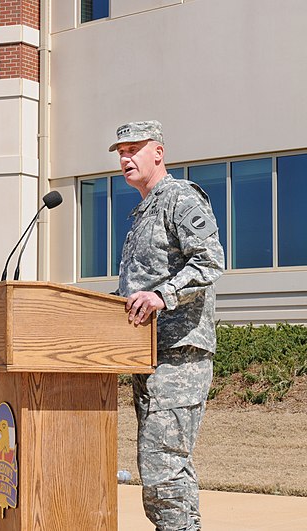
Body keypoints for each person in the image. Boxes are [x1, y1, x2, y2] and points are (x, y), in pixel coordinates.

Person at [111, 121, 224, 530]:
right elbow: (137, 286)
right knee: (164, 464)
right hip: (148, 356)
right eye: (120, 151)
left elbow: (210, 261)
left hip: (180, 355)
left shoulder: (178, 198)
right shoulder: (142, 212)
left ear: (158, 152)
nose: (125, 157)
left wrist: (163, 295)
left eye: (134, 148)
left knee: (162, 467)